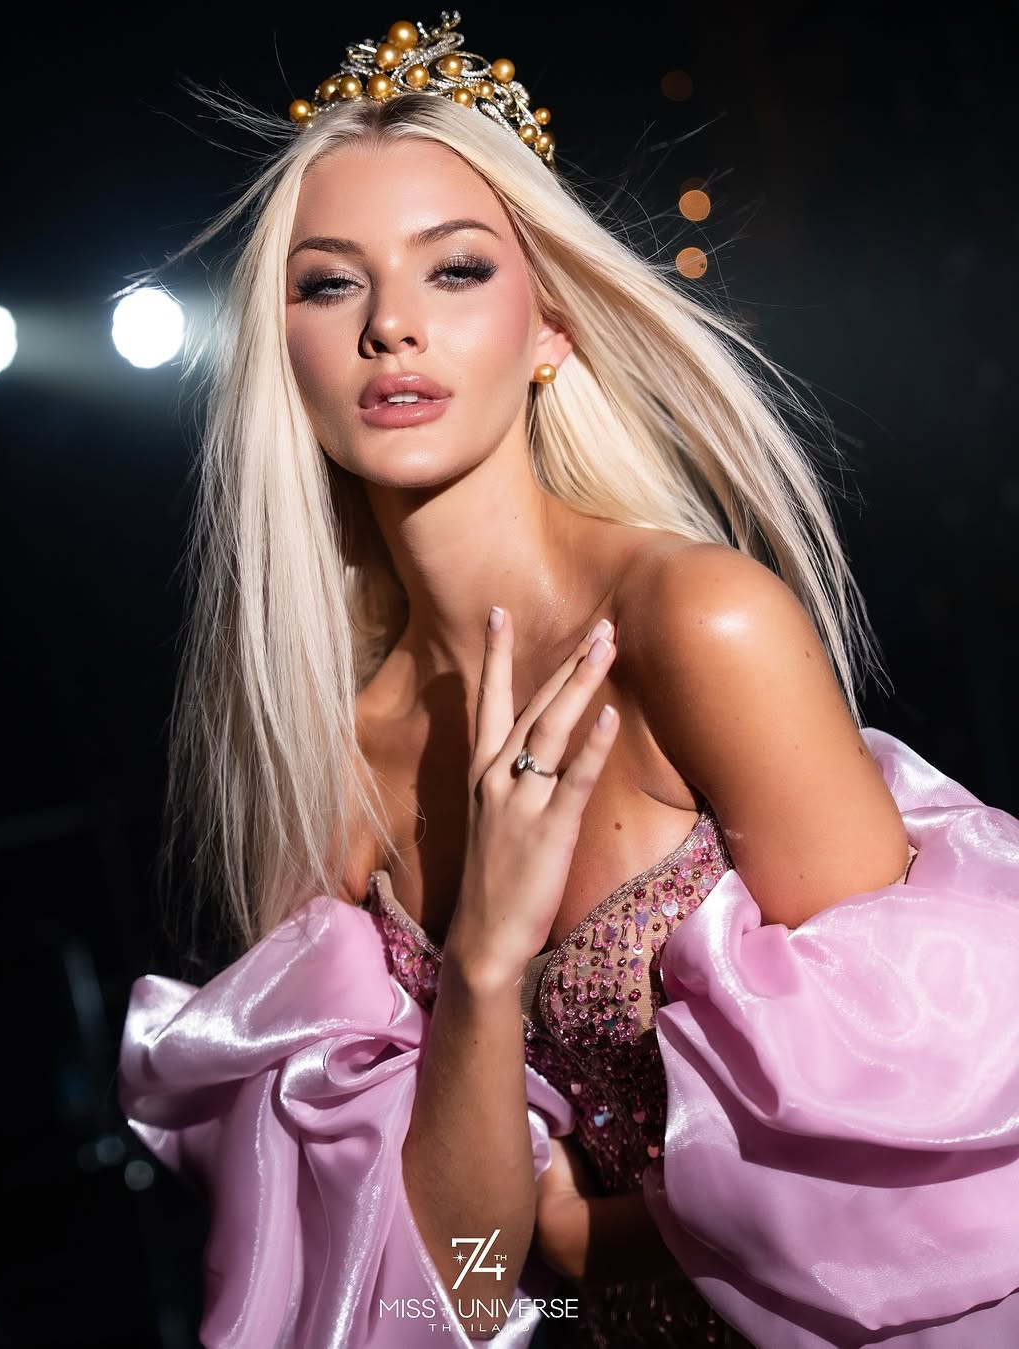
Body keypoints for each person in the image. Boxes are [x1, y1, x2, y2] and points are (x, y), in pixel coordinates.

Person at [118, 13, 1019, 1348]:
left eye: (456, 269)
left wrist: (595, 1239)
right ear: (283, 357)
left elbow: (935, 1162)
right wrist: (483, 961)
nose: (392, 327)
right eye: (331, 286)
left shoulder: (696, 627)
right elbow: (463, 1288)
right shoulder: (327, 766)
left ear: (550, 327)